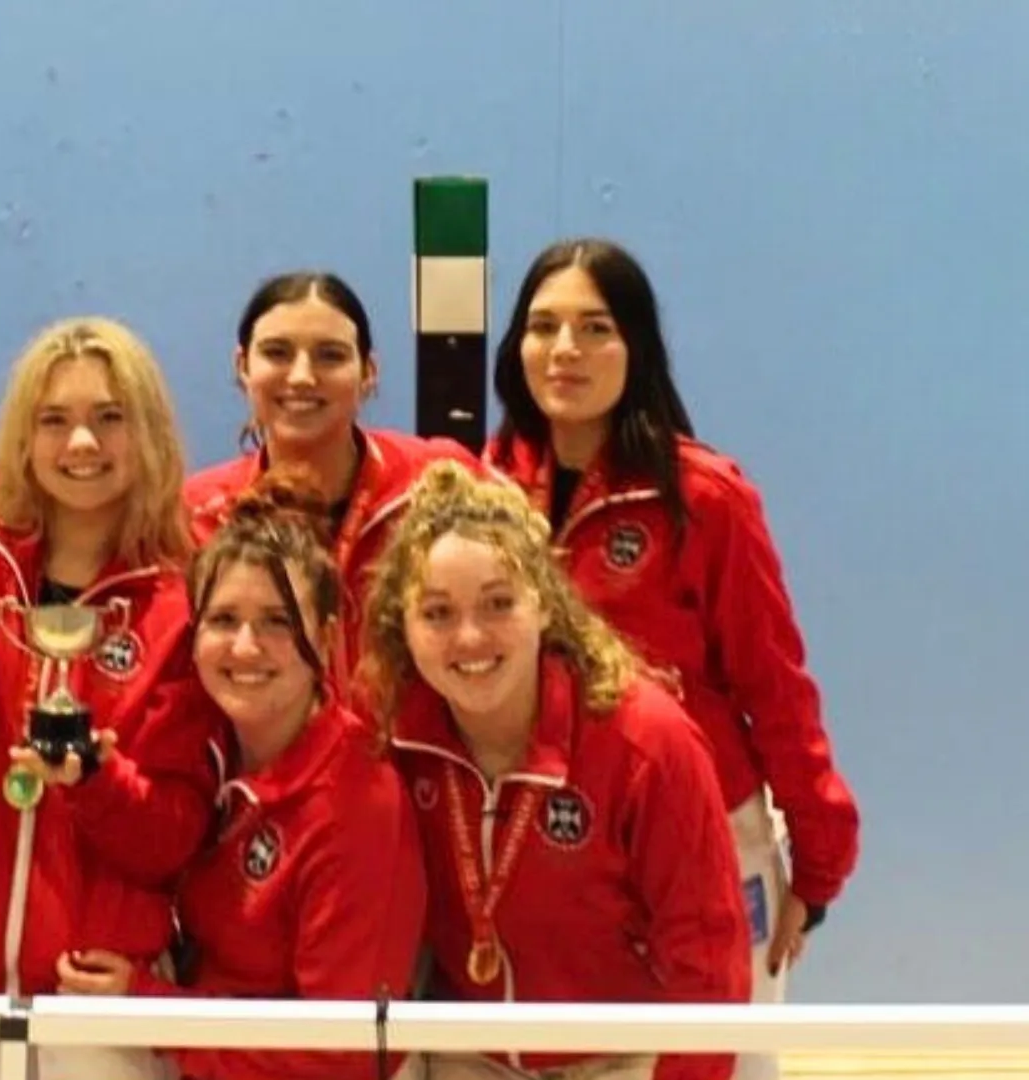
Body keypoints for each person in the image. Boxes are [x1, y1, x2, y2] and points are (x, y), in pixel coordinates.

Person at [482, 238, 860, 1080]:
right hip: (559, 844)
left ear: (637, 348)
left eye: (595, 328)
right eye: (544, 327)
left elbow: (776, 685)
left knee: (721, 1062)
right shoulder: (484, 491)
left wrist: (820, 864)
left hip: (710, 833)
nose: (566, 351)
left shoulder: (705, 500)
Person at [0, 317, 217, 1080]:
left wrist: (98, 786)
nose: (81, 445)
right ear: (23, 437)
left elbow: (175, 836)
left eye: (109, 419)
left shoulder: (183, 603)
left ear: (149, 435)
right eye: (55, 421)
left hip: (94, 994)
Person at [359, 459, 751, 1080]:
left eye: (497, 604)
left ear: (544, 604)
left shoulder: (645, 743)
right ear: (399, 626)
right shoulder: (391, 739)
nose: (469, 637)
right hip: (466, 1053)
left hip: (619, 1057)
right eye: (436, 612)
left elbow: (708, 961)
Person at [57, 466, 428, 1080]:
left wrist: (149, 1010)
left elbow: (344, 1051)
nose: (246, 648)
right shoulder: (215, 758)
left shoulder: (358, 800)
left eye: (278, 622)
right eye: (224, 620)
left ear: (329, 636)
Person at [187, 271, 478, 700]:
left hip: (416, 763)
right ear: (243, 366)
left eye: (330, 355)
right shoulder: (199, 513)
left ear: (369, 372)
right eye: (277, 353)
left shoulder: (438, 481)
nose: (302, 376)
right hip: (270, 764)